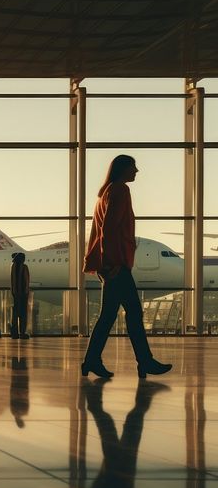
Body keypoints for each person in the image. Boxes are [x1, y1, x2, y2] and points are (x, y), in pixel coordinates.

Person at [81, 155, 171, 380]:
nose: (137, 171)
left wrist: (103, 263)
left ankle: (93, 360)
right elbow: (109, 229)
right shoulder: (120, 190)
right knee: (133, 312)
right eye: (133, 167)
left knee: (109, 315)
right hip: (117, 265)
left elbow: (101, 230)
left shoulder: (106, 192)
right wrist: (112, 263)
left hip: (112, 264)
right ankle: (145, 361)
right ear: (123, 169)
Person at [9, 251, 30, 339]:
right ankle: (22, 332)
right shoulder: (24, 267)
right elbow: (26, 280)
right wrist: (26, 291)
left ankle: (14, 333)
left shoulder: (13, 267)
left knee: (15, 313)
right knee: (23, 314)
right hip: (23, 294)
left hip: (15, 293)